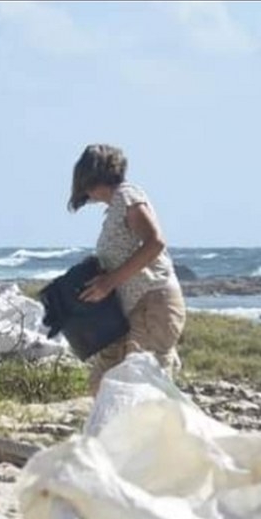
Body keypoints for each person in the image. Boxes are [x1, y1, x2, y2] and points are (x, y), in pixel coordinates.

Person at [68, 144, 186, 395]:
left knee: (143, 388)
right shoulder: (113, 209)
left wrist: (109, 282)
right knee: (105, 383)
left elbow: (155, 242)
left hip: (152, 301)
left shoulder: (128, 195)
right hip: (129, 309)